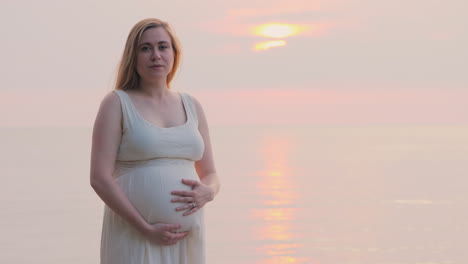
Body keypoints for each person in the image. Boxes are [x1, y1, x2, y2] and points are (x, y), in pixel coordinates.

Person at [90, 18, 220, 264]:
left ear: (174, 53)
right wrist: (144, 228)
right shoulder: (117, 103)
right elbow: (99, 178)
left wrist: (208, 192)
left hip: (187, 239)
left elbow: (211, 173)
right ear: (133, 56)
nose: (156, 55)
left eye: (163, 46)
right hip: (134, 235)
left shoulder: (192, 105)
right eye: (145, 48)